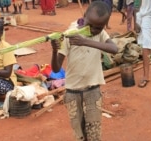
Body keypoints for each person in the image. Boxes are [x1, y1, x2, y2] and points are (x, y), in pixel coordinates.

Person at [50, 1, 118, 140]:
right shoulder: (71, 33)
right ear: (84, 15)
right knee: (78, 132)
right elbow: (56, 68)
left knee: (94, 132)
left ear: (104, 25)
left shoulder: (100, 33)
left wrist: (85, 41)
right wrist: (55, 49)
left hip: (92, 90)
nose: (93, 30)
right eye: (90, 25)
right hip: (72, 91)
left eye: (98, 28)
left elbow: (114, 49)